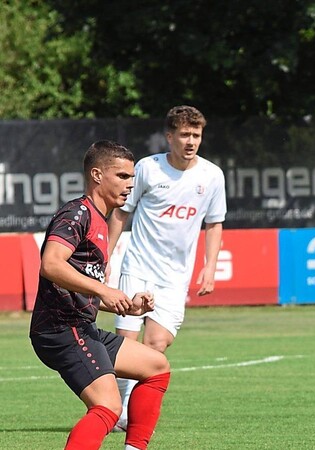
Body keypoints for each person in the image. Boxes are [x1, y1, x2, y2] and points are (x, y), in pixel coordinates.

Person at [29, 140, 171, 450]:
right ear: (97, 175)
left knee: (156, 367)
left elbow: (83, 288)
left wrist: (127, 307)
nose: (129, 185)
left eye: (132, 178)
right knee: (108, 406)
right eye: (121, 176)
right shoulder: (77, 213)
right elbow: (51, 264)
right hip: (60, 329)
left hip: (81, 327)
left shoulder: (101, 221)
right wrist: (104, 289)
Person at [107, 105, 227, 430]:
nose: (191, 141)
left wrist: (210, 266)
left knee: (156, 345)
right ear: (170, 136)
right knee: (126, 344)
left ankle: (126, 411)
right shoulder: (147, 169)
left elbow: (214, 224)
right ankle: (121, 413)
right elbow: (121, 213)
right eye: (185, 134)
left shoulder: (212, 176)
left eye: (197, 135)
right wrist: (106, 252)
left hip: (175, 276)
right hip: (138, 266)